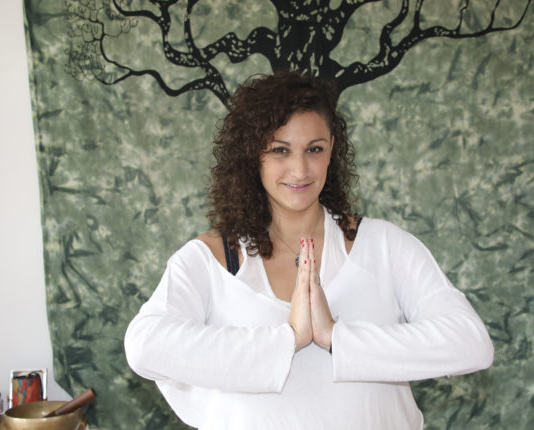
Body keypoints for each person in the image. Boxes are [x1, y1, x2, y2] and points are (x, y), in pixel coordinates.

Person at [124, 71, 494, 429]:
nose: (300, 170)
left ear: (331, 149)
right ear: (253, 154)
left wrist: (336, 338)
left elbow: (471, 343)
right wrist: (289, 339)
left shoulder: (384, 245)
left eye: (314, 149)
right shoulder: (211, 259)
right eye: (280, 150)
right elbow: (145, 346)